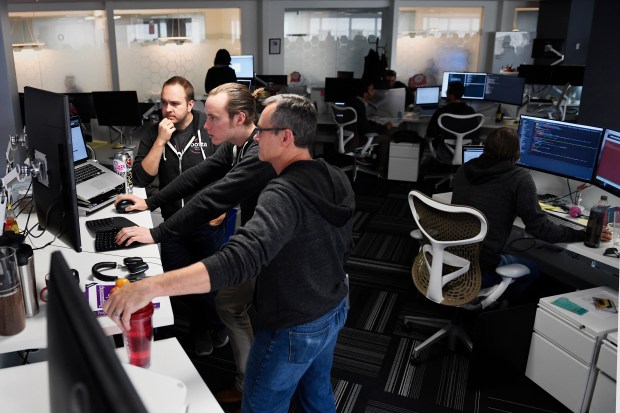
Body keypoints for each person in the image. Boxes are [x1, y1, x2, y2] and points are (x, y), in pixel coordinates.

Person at [105, 93, 352, 413]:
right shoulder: (335, 175)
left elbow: (238, 259)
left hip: (295, 323)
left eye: (262, 130)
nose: (256, 134)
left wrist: (149, 286)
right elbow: (342, 242)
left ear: (286, 137)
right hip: (334, 303)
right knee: (317, 394)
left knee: (260, 405)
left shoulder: (281, 191)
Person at [114, 82, 277, 405]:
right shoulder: (236, 146)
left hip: (279, 251)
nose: (205, 124)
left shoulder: (257, 153)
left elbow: (210, 199)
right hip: (264, 240)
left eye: (213, 118)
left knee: (263, 320)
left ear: (239, 118)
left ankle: (256, 387)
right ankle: (248, 381)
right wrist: (151, 203)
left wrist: (156, 233)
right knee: (230, 304)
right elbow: (197, 176)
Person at [451, 127, 612, 302]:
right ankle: (500, 310)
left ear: (485, 148)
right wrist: (584, 233)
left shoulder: (465, 169)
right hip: (479, 271)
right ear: (517, 155)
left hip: (448, 261)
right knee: (533, 269)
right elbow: (541, 229)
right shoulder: (518, 178)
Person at [131, 76, 228, 356]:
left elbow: (232, 172)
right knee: (179, 282)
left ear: (190, 103)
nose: (167, 109)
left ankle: (215, 323)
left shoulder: (208, 127)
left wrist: (223, 207)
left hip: (207, 222)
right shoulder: (154, 132)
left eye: (175, 103)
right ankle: (200, 327)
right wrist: (161, 140)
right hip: (173, 223)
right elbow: (140, 176)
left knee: (209, 282)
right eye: (163, 103)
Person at [345, 78, 392, 178]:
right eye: (371, 90)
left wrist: (372, 123)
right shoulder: (360, 105)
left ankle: (369, 161)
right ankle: (380, 170)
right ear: (365, 94)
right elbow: (365, 129)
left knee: (381, 132)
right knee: (386, 138)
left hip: (346, 139)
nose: (374, 91)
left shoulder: (351, 101)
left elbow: (359, 122)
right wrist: (384, 128)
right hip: (356, 140)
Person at [425, 81, 476, 163]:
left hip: (445, 151)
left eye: (447, 92)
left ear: (451, 95)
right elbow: (476, 133)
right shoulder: (471, 111)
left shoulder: (441, 112)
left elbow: (430, 134)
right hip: (465, 151)